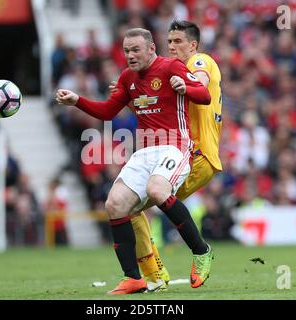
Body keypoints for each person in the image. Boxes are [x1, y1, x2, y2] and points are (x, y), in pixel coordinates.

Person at [56, 27, 213, 294]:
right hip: (144, 151)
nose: (130, 55)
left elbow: (205, 96)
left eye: (136, 49)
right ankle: (133, 277)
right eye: (127, 50)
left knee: (157, 189)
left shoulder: (171, 66)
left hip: (174, 146)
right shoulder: (127, 77)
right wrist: (77, 101)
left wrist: (185, 87)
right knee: (114, 203)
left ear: (151, 48)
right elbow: (107, 111)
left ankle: (201, 251)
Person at [110, 20, 222, 290]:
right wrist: (134, 89)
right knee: (127, 207)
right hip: (187, 151)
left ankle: (189, 257)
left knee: (139, 202)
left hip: (196, 153)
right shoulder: (172, 72)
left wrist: (186, 85)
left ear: (193, 45)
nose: (172, 47)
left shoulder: (198, 61)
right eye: (169, 42)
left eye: (178, 42)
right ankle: (152, 274)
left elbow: (200, 83)